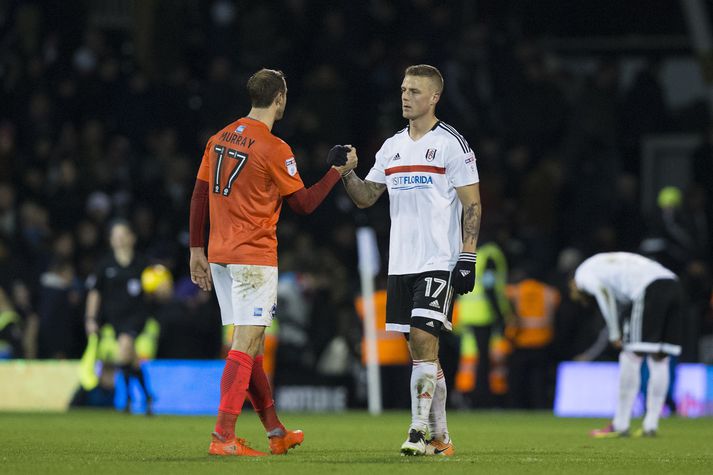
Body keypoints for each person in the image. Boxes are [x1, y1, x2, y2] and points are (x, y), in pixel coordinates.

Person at [188, 68, 356, 457]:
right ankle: (223, 437)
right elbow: (304, 205)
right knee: (245, 345)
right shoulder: (274, 147)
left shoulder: (219, 138)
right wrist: (337, 172)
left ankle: (275, 431)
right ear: (279, 98)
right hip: (253, 258)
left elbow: (199, 195)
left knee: (254, 346)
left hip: (219, 256)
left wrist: (196, 249)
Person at [340, 64, 481, 456]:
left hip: (438, 259)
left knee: (423, 340)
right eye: (403, 89)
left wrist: (467, 257)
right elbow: (367, 196)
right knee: (421, 352)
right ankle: (442, 438)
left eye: (415, 91)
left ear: (434, 97)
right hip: (401, 263)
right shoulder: (392, 146)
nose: (405, 96)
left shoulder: (452, 143)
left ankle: (418, 431)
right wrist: (346, 174)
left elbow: (473, 204)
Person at [569, 252, 683, 437]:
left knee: (630, 355)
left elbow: (603, 294)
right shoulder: (603, 263)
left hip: (649, 289)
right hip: (674, 285)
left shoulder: (582, 275)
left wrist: (614, 332)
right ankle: (651, 425)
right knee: (660, 359)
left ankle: (620, 424)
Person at [84, 220, 153, 415]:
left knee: (124, 347)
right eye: (116, 236)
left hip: (136, 317)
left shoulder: (142, 263)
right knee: (131, 360)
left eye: (123, 235)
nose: (120, 239)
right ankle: (147, 396)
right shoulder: (105, 265)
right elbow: (95, 292)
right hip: (114, 319)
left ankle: (129, 398)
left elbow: (153, 289)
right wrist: (90, 318)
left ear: (132, 238)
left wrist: (160, 291)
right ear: (111, 240)